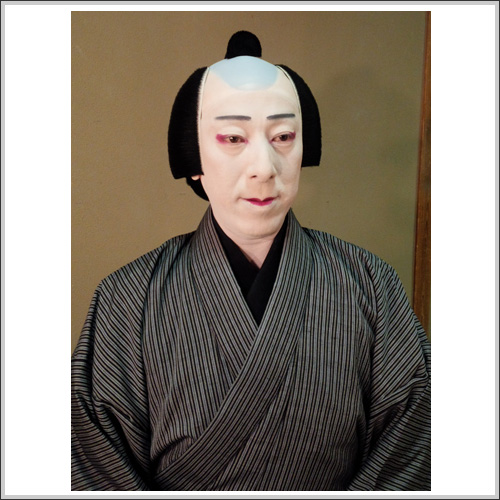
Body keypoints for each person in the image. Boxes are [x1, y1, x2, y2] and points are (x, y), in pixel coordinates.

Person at [71, 31, 431, 491]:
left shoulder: (371, 284)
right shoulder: (128, 298)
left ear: (305, 150)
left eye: (283, 137)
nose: (263, 167)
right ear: (192, 156)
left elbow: (409, 449)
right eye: (232, 138)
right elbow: (96, 465)